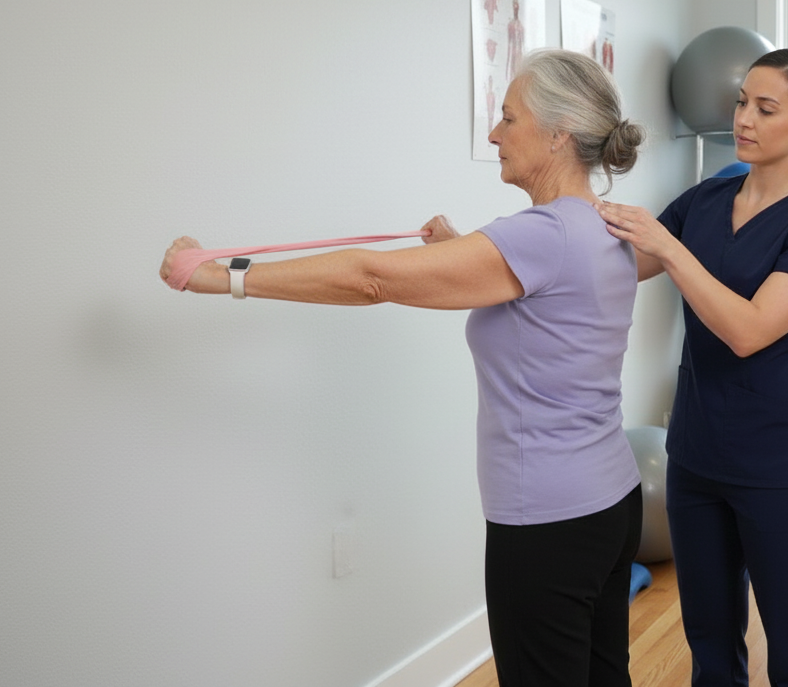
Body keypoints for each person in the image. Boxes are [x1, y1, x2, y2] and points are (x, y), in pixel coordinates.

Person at [159, 50, 648, 687]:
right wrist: (462, 251)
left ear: (558, 134)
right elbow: (545, 302)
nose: (495, 133)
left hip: (546, 522)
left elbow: (370, 278)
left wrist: (220, 276)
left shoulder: (540, 236)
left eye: (507, 117)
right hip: (611, 500)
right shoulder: (604, 226)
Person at [597, 47, 788, 687]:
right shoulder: (707, 199)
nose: (744, 118)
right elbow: (615, 269)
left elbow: (748, 331)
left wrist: (669, 247)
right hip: (696, 458)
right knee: (710, 645)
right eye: (742, 102)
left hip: (781, 464)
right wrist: (499, 249)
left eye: (766, 108)